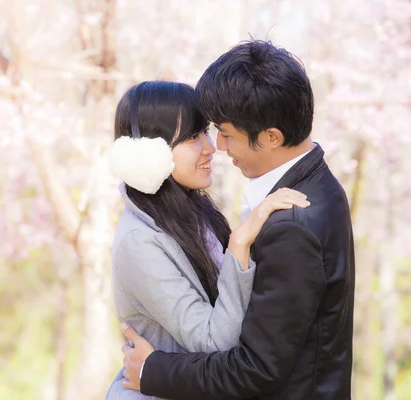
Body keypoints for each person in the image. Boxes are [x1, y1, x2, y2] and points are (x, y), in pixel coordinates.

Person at [120, 40, 355, 400]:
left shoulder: (291, 221)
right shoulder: (315, 187)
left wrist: (155, 370)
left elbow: (256, 368)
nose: (218, 147)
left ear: (271, 136)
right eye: (197, 136)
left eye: (224, 134)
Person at [105, 80, 310, 400]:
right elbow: (214, 343)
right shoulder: (140, 242)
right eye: (191, 137)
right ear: (148, 155)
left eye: (205, 132)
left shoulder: (193, 214)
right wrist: (239, 245)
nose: (211, 147)